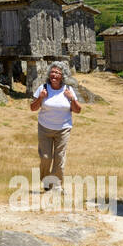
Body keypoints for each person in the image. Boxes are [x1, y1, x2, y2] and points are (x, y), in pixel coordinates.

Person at [29, 63, 81, 191]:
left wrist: (72, 99)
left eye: (57, 73)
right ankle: (46, 181)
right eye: (52, 72)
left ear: (62, 76)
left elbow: (78, 110)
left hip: (63, 129)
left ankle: (56, 185)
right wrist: (40, 97)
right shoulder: (43, 88)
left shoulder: (68, 89)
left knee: (59, 159)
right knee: (46, 158)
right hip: (44, 128)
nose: (54, 75)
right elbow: (32, 108)